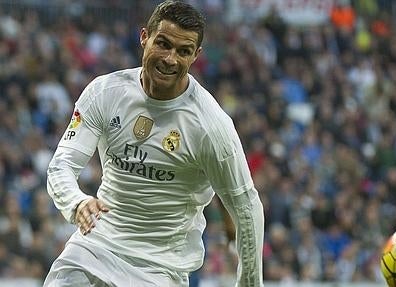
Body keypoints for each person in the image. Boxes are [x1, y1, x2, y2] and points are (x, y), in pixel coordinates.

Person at [43, 1, 265, 286]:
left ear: (195, 56)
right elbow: (62, 165)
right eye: (163, 44)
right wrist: (76, 202)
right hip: (94, 248)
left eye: (183, 51)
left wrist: (249, 282)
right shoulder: (105, 93)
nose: (170, 59)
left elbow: (246, 206)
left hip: (159, 268)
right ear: (144, 36)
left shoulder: (210, 125)